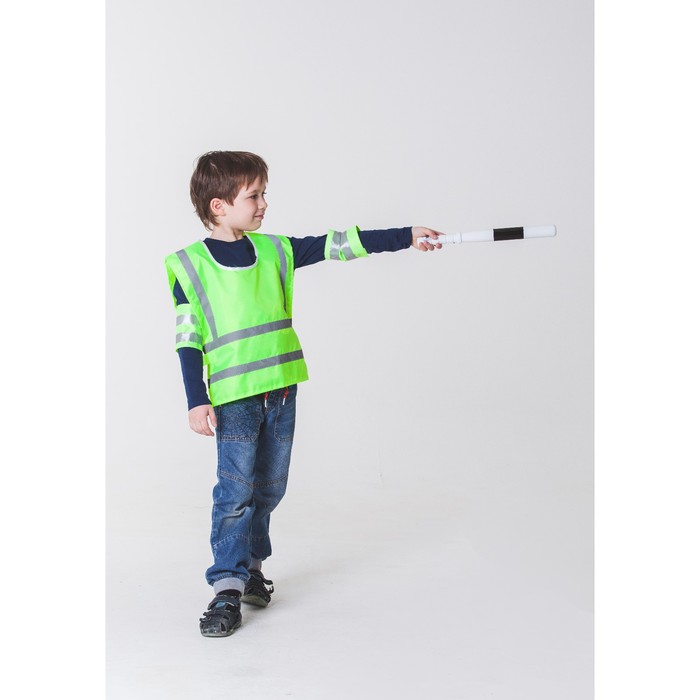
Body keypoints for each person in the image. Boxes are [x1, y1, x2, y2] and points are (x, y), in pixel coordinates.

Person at [165, 150, 443, 637]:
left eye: (263, 193)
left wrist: (406, 236)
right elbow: (188, 339)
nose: (264, 204)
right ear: (219, 206)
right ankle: (226, 587)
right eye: (254, 196)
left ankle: (251, 568)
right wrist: (196, 398)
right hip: (234, 400)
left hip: (280, 392)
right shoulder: (190, 265)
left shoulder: (276, 250)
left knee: (269, 488)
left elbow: (338, 244)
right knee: (235, 492)